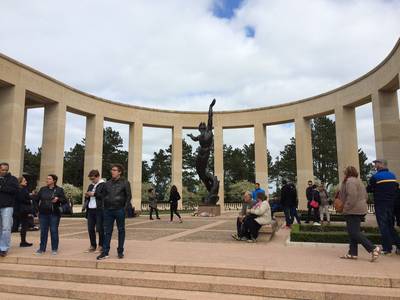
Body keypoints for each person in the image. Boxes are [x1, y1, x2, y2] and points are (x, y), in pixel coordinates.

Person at [340, 166, 380, 261]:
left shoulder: (350, 181)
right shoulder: (359, 181)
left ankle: (373, 248)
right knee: (353, 232)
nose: (344, 174)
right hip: (359, 209)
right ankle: (352, 253)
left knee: (354, 232)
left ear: (348, 173)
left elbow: (352, 196)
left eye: (345, 172)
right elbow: (365, 196)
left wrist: (346, 208)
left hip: (353, 209)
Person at [96, 164, 131, 260]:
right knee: (107, 231)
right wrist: (104, 207)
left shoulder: (125, 183)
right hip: (108, 210)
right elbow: (103, 196)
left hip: (120, 209)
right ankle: (105, 252)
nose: (112, 171)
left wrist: (124, 208)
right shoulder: (107, 183)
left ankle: (120, 251)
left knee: (121, 230)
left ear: (119, 172)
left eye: (115, 170)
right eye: (112, 170)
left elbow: (128, 196)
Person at [367, 159, 400, 255]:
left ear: (382, 165)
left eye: (376, 163)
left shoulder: (376, 176)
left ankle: (387, 249)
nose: (375, 165)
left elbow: (369, 189)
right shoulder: (392, 176)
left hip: (381, 204)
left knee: (383, 227)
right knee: (390, 226)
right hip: (391, 205)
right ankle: (398, 246)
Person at [35, 174, 67, 255]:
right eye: (47, 178)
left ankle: (54, 249)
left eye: (49, 179)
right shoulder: (42, 189)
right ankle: (42, 249)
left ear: (54, 181)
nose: (47, 180)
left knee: (53, 231)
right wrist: (37, 209)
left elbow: (64, 200)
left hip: (54, 214)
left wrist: (58, 199)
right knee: (43, 232)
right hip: (43, 214)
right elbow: (36, 200)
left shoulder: (59, 190)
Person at [82, 170, 105, 253]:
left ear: (98, 176)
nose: (92, 180)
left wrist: (94, 194)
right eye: (91, 179)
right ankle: (93, 245)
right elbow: (88, 197)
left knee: (100, 229)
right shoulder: (91, 185)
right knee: (90, 228)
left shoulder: (103, 185)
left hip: (99, 209)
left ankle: (101, 246)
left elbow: (104, 196)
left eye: (93, 179)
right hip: (90, 209)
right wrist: (87, 195)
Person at [0, 162, 19, 257]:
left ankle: (3, 248)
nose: (4, 171)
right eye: (2, 170)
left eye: (6, 170)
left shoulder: (13, 179)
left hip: (7, 206)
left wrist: (2, 187)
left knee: (6, 228)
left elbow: (15, 190)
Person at [15, 176, 34, 247]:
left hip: (20, 210)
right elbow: (22, 199)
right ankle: (23, 242)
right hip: (23, 210)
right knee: (24, 226)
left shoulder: (19, 189)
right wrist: (30, 200)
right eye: (24, 180)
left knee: (23, 226)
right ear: (20, 182)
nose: (26, 181)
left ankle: (23, 241)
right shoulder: (22, 189)